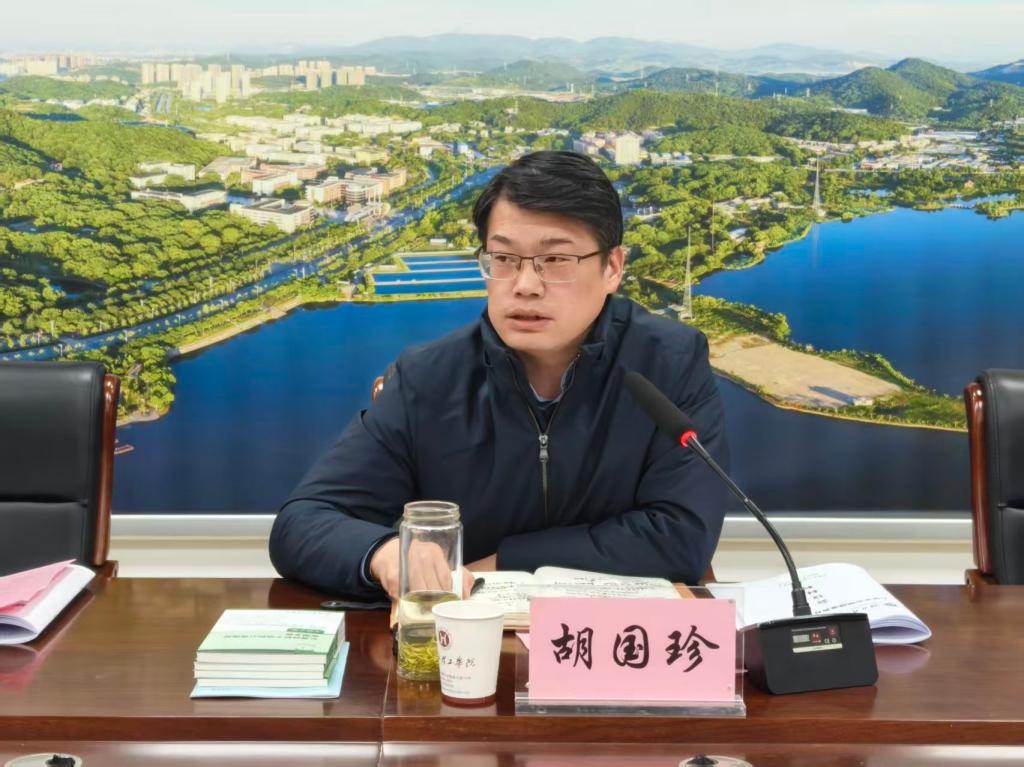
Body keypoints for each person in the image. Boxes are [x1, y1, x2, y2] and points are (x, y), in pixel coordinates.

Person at [269, 150, 729, 601]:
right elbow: (302, 523)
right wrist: (384, 553)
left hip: (611, 644)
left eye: (555, 261)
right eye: (504, 259)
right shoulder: (427, 378)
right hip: (468, 639)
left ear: (612, 267)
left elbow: (682, 536)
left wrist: (506, 562)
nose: (525, 285)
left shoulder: (669, 361)